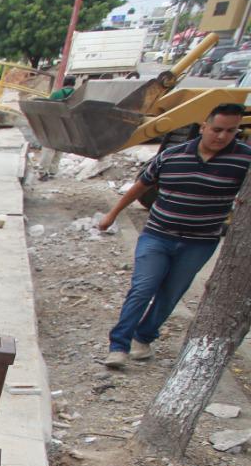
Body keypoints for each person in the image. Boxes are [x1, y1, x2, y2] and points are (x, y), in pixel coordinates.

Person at [97, 103, 251, 368]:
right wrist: (112, 214)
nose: (222, 137)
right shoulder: (172, 155)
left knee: (170, 294)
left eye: (230, 131)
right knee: (143, 288)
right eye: (216, 129)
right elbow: (141, 186)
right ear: (203, 127)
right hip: (158, 235)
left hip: (200, 242)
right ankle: (118, 346)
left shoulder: (243, 159)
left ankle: (143, 337)